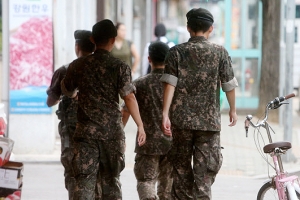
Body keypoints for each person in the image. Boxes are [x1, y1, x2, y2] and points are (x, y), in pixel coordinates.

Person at [61, 19, 146, 200]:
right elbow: (129, 97)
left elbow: (66, 89)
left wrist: (76, 93)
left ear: (92, 39)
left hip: (86, 134)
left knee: (84, 183)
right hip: (111, 135)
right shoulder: (120, 67)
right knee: (111, 180)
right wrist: (140, 125)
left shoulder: (79, 65)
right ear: (113, 40)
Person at [160, 8, 238, 200]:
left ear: (188, 28)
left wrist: (165, 114)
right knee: (204, 177)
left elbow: (170, 84)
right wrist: (233, 110)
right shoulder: (220, 52)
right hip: (208, 124)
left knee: (180, 173)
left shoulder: (175, 52)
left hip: (181, 123)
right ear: (211, 28)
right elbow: (228, 84)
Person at [46, 30, 95, 200]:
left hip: (72, 131)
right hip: (97, 130)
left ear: (77, 47)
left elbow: (50, 101)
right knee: (95, 173)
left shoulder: (64, 71)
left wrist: (60, 97)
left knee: (73, 172)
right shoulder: (101, 70)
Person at [121, 41, 173, 200]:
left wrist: (119, 133)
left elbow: (125, 110)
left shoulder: (139, 84)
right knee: (168, 186)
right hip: (172, 141)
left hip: (147, 143)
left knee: (146, 181)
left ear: (149, 59)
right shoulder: (175, 84)